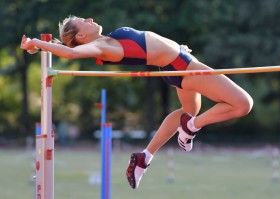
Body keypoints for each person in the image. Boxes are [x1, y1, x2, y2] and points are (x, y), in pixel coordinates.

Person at [20, 15, 253, 189]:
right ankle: (191, 126)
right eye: (84, 21)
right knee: (243, 104)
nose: (90, 19)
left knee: (189, 110)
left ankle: (145, 157)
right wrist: (35, 43)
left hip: (177, 64)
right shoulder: (103, 46)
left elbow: (69, 48)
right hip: (182, 67)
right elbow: (71, 53)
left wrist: (43, 44)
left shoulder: (106, 40)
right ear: (81, 36)